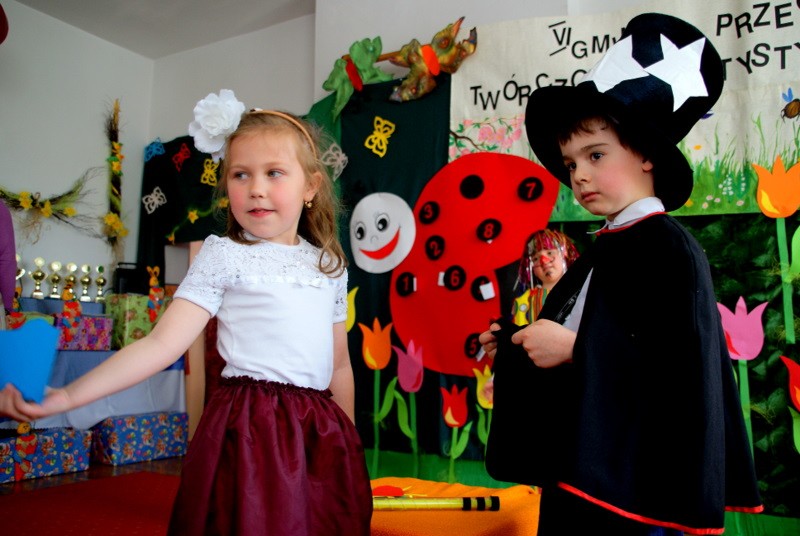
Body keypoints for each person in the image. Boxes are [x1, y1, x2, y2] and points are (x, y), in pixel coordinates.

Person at [10, 91, 373, 535]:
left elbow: (339, 364)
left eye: (274, 172)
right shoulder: (223, 255)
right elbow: (161, 344)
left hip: (316, 431)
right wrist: (68, 397)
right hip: (249, 430)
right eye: (241, 174)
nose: (256, 188)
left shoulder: (329, 266)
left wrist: (347, 441)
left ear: (311, 187)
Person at [480, 13, 762, 535]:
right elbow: (592, 331)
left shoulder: (669, 248)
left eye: (595, 155)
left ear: (647, 156)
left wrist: (574, 349)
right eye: (571, 164)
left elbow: (675, 367)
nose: (579, 175)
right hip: (582, 472)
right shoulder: (605, 247)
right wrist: (516, 343)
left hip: (631, 493)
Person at [482, 228, 579, 403]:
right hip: (537, 382)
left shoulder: (583, 292)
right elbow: (514, 345)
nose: (544, 261)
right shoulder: (524, 303)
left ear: (564, 253)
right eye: (535, 258)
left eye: (550, 252)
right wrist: (495, 378)